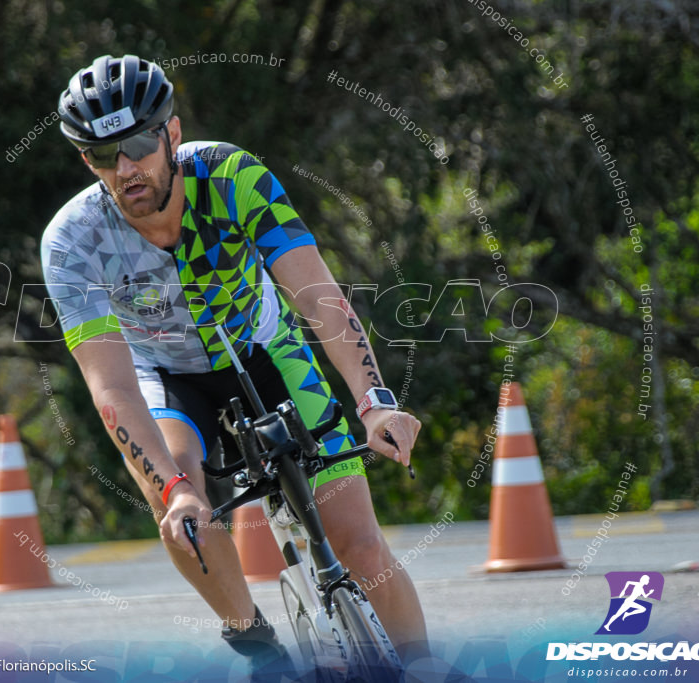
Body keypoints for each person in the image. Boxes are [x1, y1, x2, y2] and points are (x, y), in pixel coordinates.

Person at [41, 54, 428, 673]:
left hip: (264, 349)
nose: (126, 168)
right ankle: (253, 639)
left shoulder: (231, 174)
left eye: (139, 144)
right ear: (86, 161)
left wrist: (373, 400)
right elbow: (110, 384)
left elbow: (318, 297)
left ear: (171, 133)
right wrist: (173, 490)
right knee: (181, 512)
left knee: (358, 543)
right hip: (168, 377)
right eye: (101, 155)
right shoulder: (72, 241)